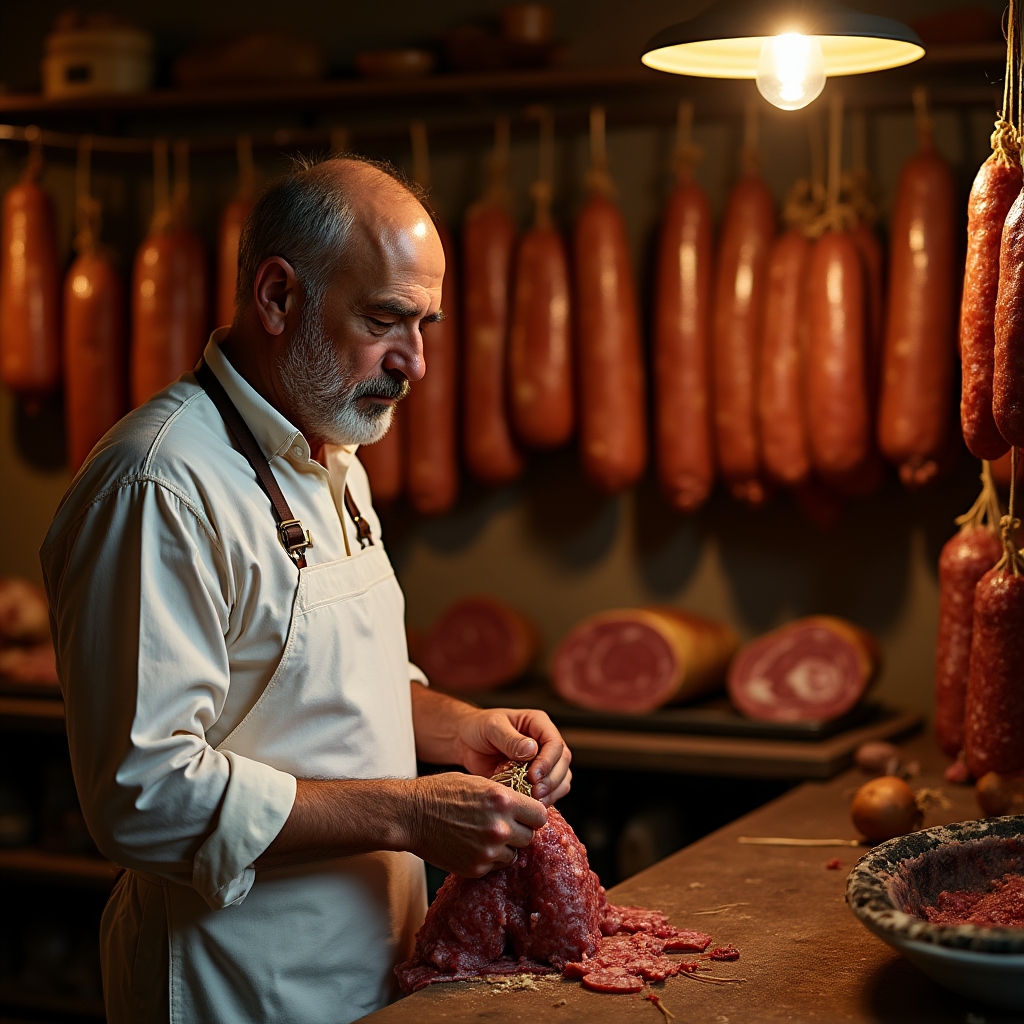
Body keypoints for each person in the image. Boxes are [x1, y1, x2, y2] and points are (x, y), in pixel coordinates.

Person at [40, 156, 572, 1024]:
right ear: (278, 296)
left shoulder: (333, 457)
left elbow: (336, 687)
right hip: (237, 991)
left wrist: (461, 729)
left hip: (372, 975)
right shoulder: (160, 486)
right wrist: (410, 816)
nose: (416, 362)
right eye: (385, 320)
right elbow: (144, 798)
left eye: (426, 324)